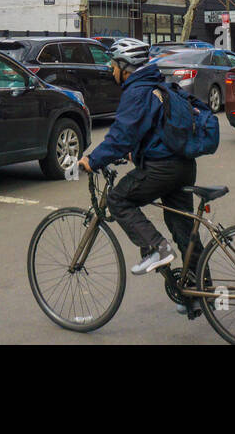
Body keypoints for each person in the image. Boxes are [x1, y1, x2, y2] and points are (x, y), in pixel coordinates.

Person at [77, 38, 203, 312]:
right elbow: (152, 128)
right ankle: (198, 291)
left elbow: (121, 135)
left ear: (125, 66)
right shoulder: (157, 84)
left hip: (163, 169)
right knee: (182, 226)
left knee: (118, 200)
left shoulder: (136, 91)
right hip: (183, 165)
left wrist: (92, 159)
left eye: (113, 66)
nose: (111, 72)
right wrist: (136, 152)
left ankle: (157, 247)